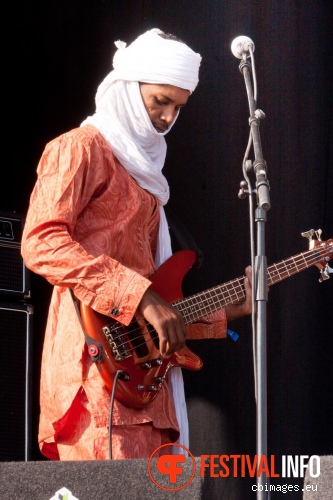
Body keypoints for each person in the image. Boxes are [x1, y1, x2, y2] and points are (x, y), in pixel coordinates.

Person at [21, 28, 252, 461]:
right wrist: (140, 295)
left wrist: (232, 309)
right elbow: (40, 241)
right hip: (93, 379)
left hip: (146, 391)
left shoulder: (148, 182)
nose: (166, 118)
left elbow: (156, 314)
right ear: (129, 90)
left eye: (177, 107)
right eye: (159, 101)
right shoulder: (80, 148)